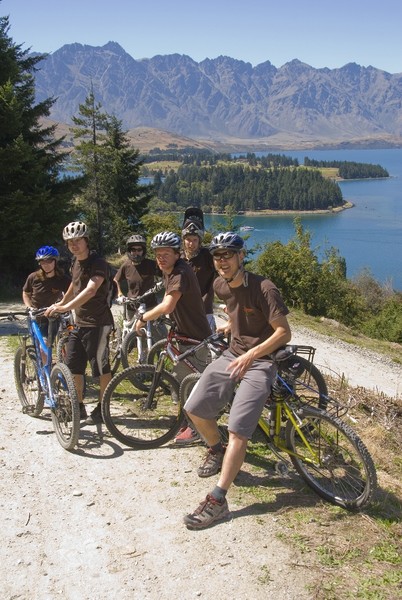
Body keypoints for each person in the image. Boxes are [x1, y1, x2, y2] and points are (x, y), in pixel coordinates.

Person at [183, 232, 291, 530]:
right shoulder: (220, 285)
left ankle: (218, 499)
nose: (222, 261)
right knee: (193, 407)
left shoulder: (264, 287)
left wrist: (251, 355)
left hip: (262, 361)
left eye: (228, 255)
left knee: (238, 430)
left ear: (241, 257)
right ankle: (217, 450)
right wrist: (231, 325)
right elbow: (239, 310)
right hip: (233, 353)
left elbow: (283, 332)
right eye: (217, 256)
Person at [45, 221, 114, 423]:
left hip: (98, 324)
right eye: (69, 242)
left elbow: (91, 289)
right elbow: (73, 288)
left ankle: (103, 408)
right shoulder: (75, 262)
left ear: (86, 241)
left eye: (77, 241)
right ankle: (79, 406)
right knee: (73, 366)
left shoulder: (98, 263)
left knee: (101, 368)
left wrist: (66, 308)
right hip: (79, 324)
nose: (74, 245)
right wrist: (60, 303)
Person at [134, 231, 211, 382]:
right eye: (158, 254)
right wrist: (160, 313)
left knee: (187, 385)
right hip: (185, 334)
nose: (161, 258)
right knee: (184, 384)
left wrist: (143, 318)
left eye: (166, 254)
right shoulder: (169, 270)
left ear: (177, 254)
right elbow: (167, 295)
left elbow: (168, 306)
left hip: (195, 336)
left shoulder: (179, 273)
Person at [175, 209, 217, 445]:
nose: (190, 243)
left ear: (200, 239)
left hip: (204, 316)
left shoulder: (208, 257)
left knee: (201, 364)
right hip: (181, 316)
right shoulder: (180, 258)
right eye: (187, 239)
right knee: (183, 366)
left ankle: (198, 418)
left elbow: (218, 279)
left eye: (194, 239)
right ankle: (187, 414)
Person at [114, 233, 163, 344]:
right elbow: (116, 279)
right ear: (129, 251)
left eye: (139, 249)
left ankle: (159, 354)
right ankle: (124, 349)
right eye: (133, 250)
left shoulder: (151, 264)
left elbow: (165, 275)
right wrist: (120, 294)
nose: (136, 252)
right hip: (132, 305)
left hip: (150, 305)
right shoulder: (126, 266)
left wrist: (162, 285)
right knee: (132, 336)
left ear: (143, 250)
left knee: (159, 333)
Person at [22, 246, 71, 357]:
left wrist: (64, 304)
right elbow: (26, 293)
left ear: (55, 261)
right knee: (42, 347)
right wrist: (29, 306)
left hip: (54, 315)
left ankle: (66, 366)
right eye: (42, 262)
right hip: (37, 316)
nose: (46, 264)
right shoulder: (33, 277)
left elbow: (72, 292)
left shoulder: (63, 279)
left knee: (70, 335)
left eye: (49, 261)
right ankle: (46, 372)